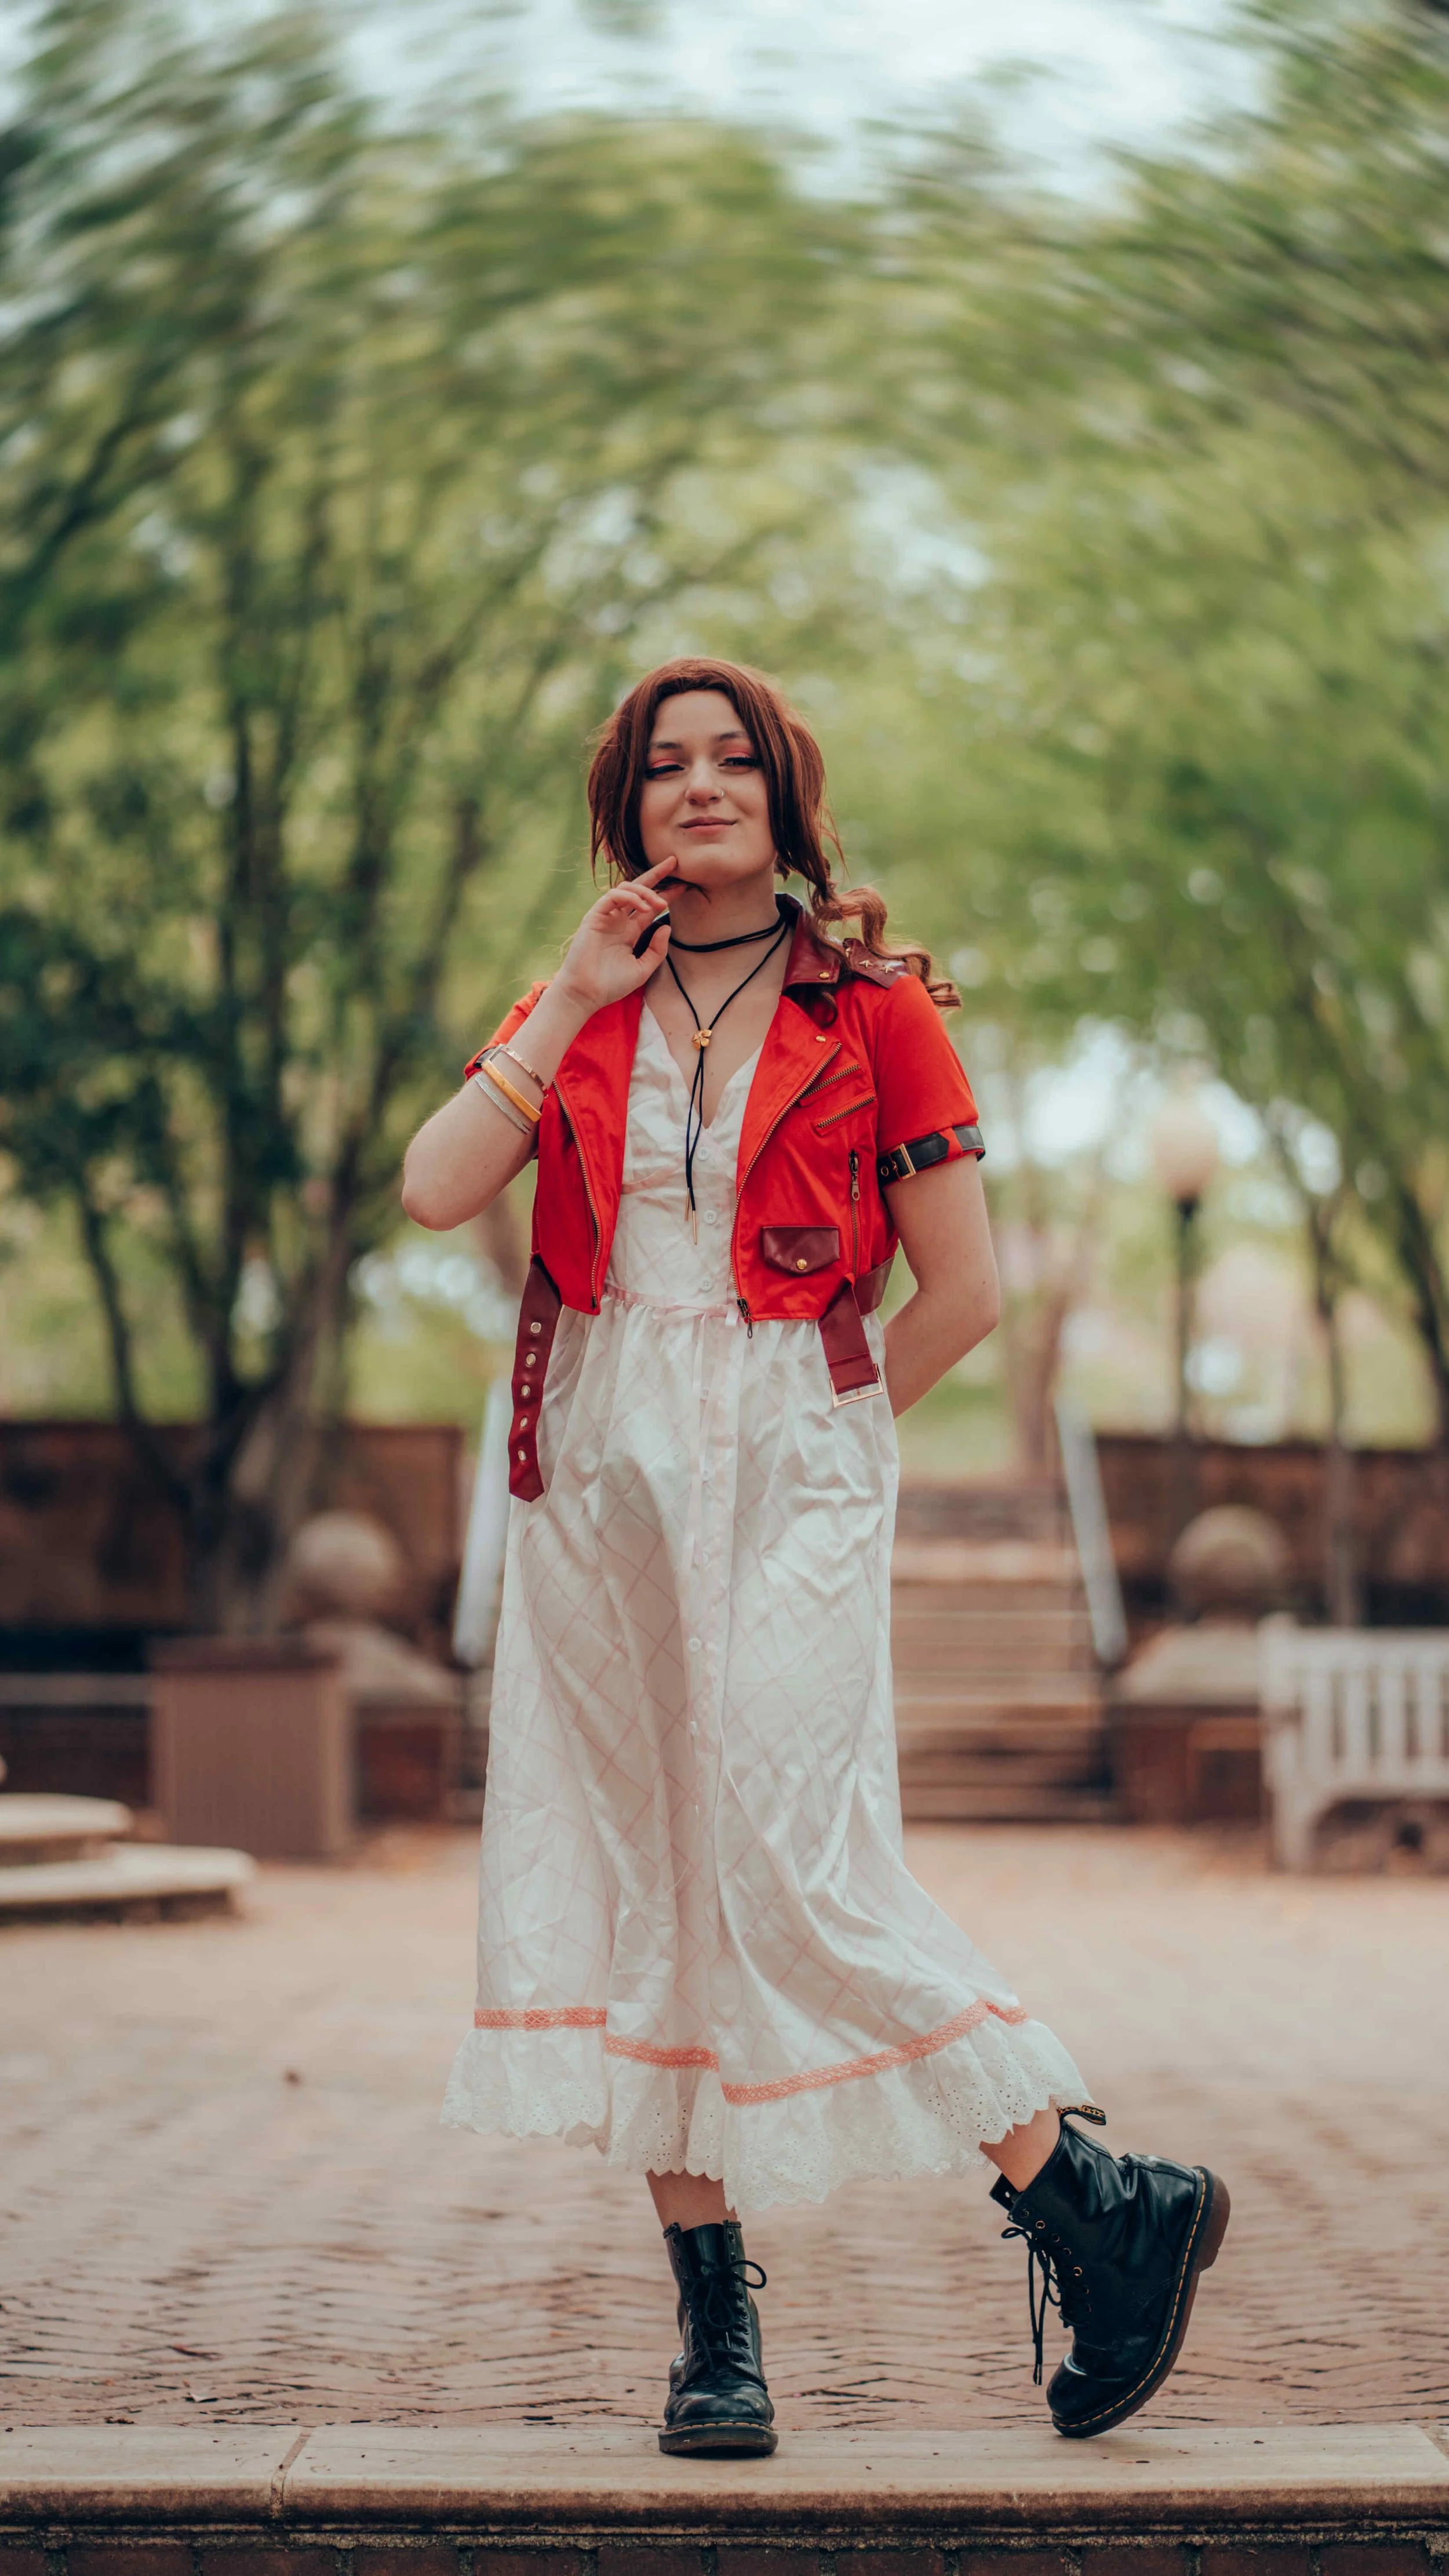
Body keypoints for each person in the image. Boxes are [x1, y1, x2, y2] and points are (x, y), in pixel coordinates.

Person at [403, 656, 1228, 2456]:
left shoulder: (878, 1008)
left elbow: (968, 1293)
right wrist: (567, 996)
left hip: (791, 1459)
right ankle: (716, 2336)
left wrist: (821, 1433)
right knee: (658, 1886)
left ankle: (1085, 2193)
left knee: (786, 1845)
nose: (700, 787)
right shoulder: (581, 998)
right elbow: (433, 1183)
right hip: (595, 1471)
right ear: (623, 812)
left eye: (733, 762)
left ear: (785, 794)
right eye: (661, 768)